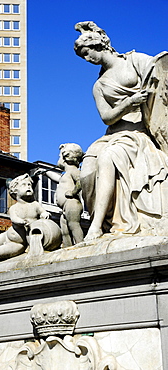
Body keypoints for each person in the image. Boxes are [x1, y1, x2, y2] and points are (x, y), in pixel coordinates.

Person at [74, 21, 168, 241]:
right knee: (88, 166)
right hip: (114, 133)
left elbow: (161, 80)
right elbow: (106, 116)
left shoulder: (136, 61)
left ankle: (96, 227)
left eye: (88, 54)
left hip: (138, 132)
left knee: (109, 157)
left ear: (99, 45)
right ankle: (101, 218)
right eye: (83, 57)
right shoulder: (99, 85)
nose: (88, 60)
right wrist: (129, 102)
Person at [0, 174, 50, 266]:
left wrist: (44, 214)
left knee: (0, 252)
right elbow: (14, 219)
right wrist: (21, 222)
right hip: (8, 236)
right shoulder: (14, 207)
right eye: (24, 185)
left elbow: (43, 212)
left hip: (20, 243)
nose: (28, 187)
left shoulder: (35, 204)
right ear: (15, 191)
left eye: (29, 185)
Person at [41, 143, 84, 247]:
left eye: (60, 156)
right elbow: (57, 179)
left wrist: (73, 192)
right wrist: (45, 172)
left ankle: (80, 244)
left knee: (73, 225)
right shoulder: (65, 175)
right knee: (65, 230)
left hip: (72, 203)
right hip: (64, 208)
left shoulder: (74, 171)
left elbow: (81, 181)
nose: (59, 159)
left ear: (66, 158)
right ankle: (68, 247)